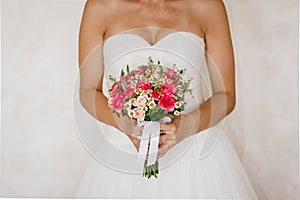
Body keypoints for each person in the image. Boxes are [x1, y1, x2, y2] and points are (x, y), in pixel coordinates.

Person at [75, 0, 259, 198]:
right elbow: (87, 90)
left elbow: (226, 95)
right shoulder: (100, 6)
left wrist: (183, 126)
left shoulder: (208, 6)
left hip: (195, 150)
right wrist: (125, 125)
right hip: (124, 148)